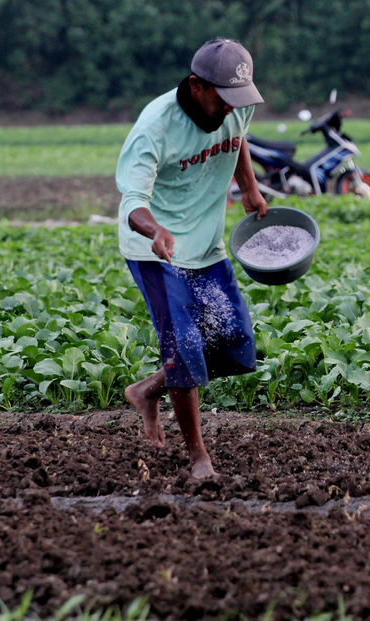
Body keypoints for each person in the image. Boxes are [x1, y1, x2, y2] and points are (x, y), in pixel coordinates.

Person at [116, 37, 268, 479]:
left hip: (206, 246)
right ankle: (198, 456)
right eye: (224, 99)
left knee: (236, 348)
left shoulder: (234, 105)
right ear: (198, 86)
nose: (231, 108)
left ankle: (148, 389)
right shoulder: (154, 128)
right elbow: (132, 204)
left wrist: (249, 187)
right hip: (157, 252)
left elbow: (236, 137)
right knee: (184, 348)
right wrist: (156, 231)